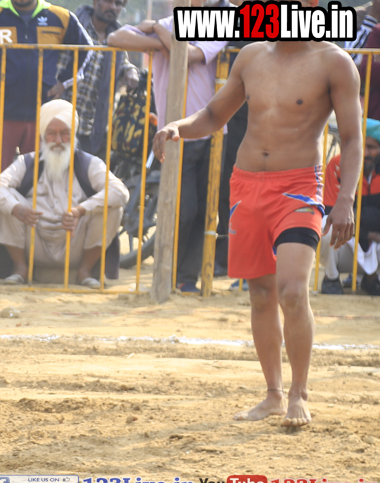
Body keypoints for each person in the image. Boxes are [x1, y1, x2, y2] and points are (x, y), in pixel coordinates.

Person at [154, 12, 363, 427]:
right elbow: (213, 116)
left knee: (292, 290)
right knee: (261, 295)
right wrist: (178, 126)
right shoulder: (250, 56)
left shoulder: (334, 62)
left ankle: (299, 393)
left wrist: (345, 199)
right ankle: (273, 394)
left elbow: (352, 137)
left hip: (299, 187)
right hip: (246, 185)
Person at [0, 0, 92, 275]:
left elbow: (87, 49)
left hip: (42, 118)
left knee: (40, 188)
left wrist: (65, 81)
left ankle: (32, 259)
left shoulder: (60, 17)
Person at [108, 1, 228, 294]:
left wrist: (159, 34)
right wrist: (163, 39)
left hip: (211, 131)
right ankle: (169, 274)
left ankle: (187, 279)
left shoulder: (216, 23)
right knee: (183, 210)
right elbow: (115, 38)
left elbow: (188, 55)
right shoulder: (168, 24)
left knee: (204, 211)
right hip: (174, 132)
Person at [0, 99, 128, 287]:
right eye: (51, 134)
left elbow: (120, 191)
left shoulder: (89, 163)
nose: (58, 140)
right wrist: (17, 209)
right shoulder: (26, 162)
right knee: (5, 198)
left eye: (65, 133)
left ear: (74, 134)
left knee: (112, 207)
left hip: (74, 241)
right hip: (34, 239)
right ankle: (20, 268)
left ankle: (85, 270)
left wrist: (80, 211)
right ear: (42, 136)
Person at [52, 0, 138, 160]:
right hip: (58, 116)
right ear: (96, 2)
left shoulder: (117, 38)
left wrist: (131, 70)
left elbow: (123, 62)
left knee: (81, 173)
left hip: (89, 126)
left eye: (118, 4)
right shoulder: (72, 25)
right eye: (108, 1)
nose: (113, 7)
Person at [319, 118, 380, 294]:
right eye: (361, 145)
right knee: (325, 227)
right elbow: (332, 215)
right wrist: (369, 232)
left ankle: (372, 280)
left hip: (374, 244)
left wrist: (355, 215)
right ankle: (331, 278)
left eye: (371, 147)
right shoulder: (337, 165)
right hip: (346, 245)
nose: (365, 153)